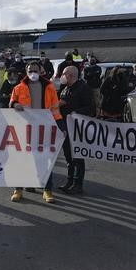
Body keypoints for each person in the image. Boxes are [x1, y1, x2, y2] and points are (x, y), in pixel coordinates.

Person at [9, 61, 62, 203]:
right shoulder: (19, 88)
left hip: (44, 129)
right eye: (30, 70)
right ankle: (18, 189)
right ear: (26, 72)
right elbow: (12, 102)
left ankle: (47, 190)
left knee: (46, 160)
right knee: (21, 160)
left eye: (35, 70)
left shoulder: (49, 87)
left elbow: (55, 107)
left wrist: (58, 125)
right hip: (24, 129)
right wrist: (15, 104)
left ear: (40, 71)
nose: (33, 73)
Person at [58, 66, 95, 194]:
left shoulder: (83, 89)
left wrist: (75, 112)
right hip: (65, 128)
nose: (61, 76)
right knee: (68, 156)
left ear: (71, 75)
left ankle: (78, 184)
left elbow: (90, 108)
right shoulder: (65, 88)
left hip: (78, 129)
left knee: (78, 156)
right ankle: (69, 181)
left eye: (63, 74)